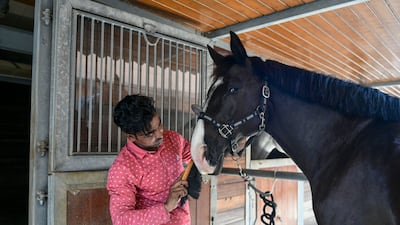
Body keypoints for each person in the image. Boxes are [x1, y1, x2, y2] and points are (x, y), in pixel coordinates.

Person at [107, 94, 193, 225]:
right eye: (149, 133)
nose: (160, 134)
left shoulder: (172, 139)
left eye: (159, 125)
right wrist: (166, 207)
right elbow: (121, 219)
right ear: (131, 137)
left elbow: (194, 156)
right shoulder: (123, 168)